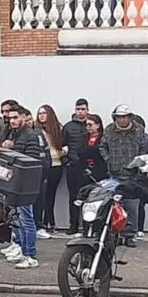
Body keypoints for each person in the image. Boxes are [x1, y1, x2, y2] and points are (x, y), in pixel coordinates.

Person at [99, 104, 148, 248]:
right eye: (119, 117)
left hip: (133, 176)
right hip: (114, 174)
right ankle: (115, 235)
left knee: (132, 207)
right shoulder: (109, 130)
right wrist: (108, 160)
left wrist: (138, 164)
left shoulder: (139, 131)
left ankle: (129, 235)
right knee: (115, 206)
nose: (121, 120)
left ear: (129, 117)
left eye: (124, 117)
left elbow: (144, 149)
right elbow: (102, 146)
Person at [0, 105, 41, 269]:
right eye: (11, 118)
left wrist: (12, 149)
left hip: (25, 185)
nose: (13, 121)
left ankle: (30, 255)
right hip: (15, 183)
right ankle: (23, 251)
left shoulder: (30, 135)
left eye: (16, 117)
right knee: (17, 219)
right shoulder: (15, 134)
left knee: (27, 219)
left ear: (25, 117)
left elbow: (29, 161)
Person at [34, 105, 66, 239]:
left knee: (50, 195)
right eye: (39, 113)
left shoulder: (58, 128)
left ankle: (50, 221)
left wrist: (64, 151)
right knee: (41, 195)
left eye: (44, 113)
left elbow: (64, 145)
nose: (41, 115)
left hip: (56, 164)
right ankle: (41, 223)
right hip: (44, 165)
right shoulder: (36, 130)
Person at [62, 98, 89, 236]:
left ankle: (86, 226)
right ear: (75, 110)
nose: (80, 112)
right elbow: (63, 145)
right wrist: (68, 160)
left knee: (87, 197)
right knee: (73, 197)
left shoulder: (91, 125)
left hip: (88, 168)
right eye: (78, 109)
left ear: (87, 110)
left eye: (83, 109)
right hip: (72, 166)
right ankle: (73, 225)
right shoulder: (68, 126)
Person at [78, 114, 107, 182]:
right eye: (86, 125)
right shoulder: (84, 137)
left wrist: (90, 150)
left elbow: (100, 151)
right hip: (85, 168)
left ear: (97, 125)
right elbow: (79, 152)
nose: (88, 127)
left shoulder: (103, 138)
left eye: (90, 125)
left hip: (99, 168)